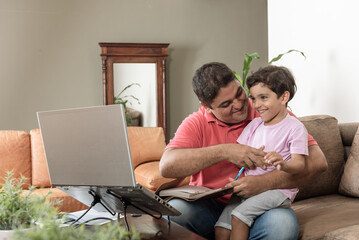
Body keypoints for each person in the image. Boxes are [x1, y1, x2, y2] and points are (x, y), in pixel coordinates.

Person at [159, 62, 327, 240]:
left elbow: (319, 162)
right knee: (173, 214)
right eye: (226, 104)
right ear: (207, 106)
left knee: (282, 225)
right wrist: (225, 151)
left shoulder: (270, 112)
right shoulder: (196, 122)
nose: (240, 104)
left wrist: (264, 182)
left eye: (239, 93)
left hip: (260, 205)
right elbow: (167, 167)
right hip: (208, 207)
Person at [214, 65, 309, 240]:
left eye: (263, 98)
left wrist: (283, 163)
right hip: (249, 189)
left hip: (279, 191)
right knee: (221, 228)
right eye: (254, 99)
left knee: (238, 217)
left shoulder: (295, 128)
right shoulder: (254, 126)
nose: (256, 105)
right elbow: (240, 158)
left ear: (284, 97)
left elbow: (300, 165)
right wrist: (246, 161)